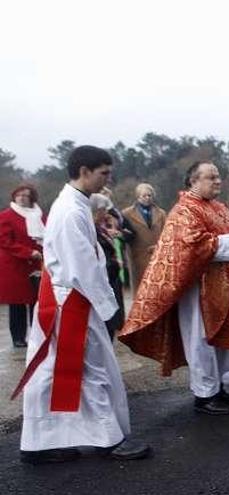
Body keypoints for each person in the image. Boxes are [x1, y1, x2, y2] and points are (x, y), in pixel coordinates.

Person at [14, 145, 150, 464]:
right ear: (84, 171)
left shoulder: (74, 205)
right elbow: (83, 267)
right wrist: (110, 309)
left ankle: (42, 442)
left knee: (58, 372)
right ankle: (107, 440)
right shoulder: (71, 211)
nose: (107, 180)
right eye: (103, 173)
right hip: (73, 302)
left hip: (68, 299)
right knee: (90, 370)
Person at [119, 161, 229, 415]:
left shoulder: (219, 207)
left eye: (218, 177)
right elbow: (190, 245)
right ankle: (204, 395)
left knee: (218, 341)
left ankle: (218, 388)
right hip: (198, 290)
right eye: (211, 177)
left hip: (225, 288)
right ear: (193, 181)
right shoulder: (184, 210)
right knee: (201, 341)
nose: (218, 181)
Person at [0, 184, 44, 348]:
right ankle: (18, 338)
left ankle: (37, 334)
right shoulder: (6, 216)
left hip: (37, 265)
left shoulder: (40, 216)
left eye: (25, 195)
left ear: (31, 197)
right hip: (15, 266)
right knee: (17, 304)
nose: (22, 198)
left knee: (37, 302)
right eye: (19, 195)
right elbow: (4, 241)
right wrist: (28, 252)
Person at [90, 193, 126, 338]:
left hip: (110, 278)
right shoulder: (91, 230)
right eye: (103, 210)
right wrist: (113, 263)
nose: (106, 214)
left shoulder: (99, 228)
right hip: (102, 279)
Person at [121, 183, 167, 294]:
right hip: (137, 256)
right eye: (144, 196)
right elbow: (124, 234)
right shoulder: (127, 213)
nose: (147, 198)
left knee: (157, 288)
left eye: (149, 195)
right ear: (138, 197)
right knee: (140, 290)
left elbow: (166, 233)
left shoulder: (161, 213)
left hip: (157, 255)